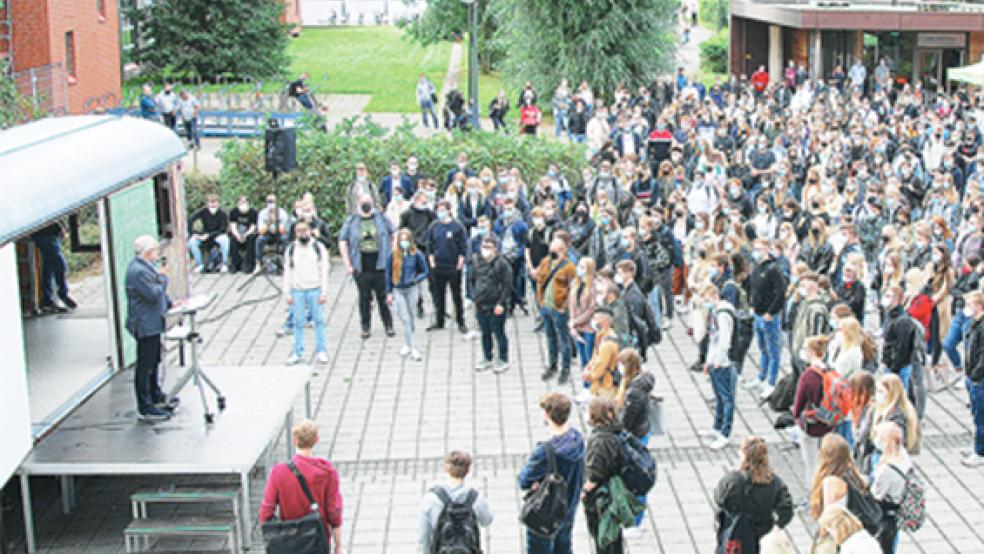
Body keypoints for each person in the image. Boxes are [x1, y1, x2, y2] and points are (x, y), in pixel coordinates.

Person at [259, 420, 343, 554]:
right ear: (316, 440)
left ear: (294, 441)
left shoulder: (278, 472)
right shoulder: (328, 472)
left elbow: (266, 512)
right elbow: (334, 512)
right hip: (317, 540)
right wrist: (338, 545)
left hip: (289, 542)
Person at [518, 393, 585, 554]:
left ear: (547, 415)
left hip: (546, 511)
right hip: (569, 505)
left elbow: (524, 480)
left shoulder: (545, 451)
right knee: (564, 546)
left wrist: (535, 483)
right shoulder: (577, 439)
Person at [124, 235, 177, 422]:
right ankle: (145, 405)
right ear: (147, 252)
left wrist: (170, 303)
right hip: (145, 324)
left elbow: (158, 295)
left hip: (153, 322)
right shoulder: (138, 271)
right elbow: (153, 294)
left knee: (154, 360)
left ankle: (155, 395)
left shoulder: (146, 267)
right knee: (145, 364)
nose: (158, 254)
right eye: (155, 251)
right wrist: (164, 277)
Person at [712, 436, 794, 554]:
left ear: (744, 456)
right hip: (763, 537)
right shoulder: (774, 482)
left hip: (735, 538)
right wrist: (777, 527)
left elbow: (719, 500)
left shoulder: (732, 481)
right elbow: (787, 510)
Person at [339, 193, 395, 339]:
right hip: (361, 265)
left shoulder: (381, 218)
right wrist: (347, 263)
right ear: (358, 203)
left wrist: (392, 254)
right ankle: (365, 326)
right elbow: (343, 241)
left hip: (380, 264)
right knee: (364, 297)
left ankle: (388, 325)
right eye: (363, 202)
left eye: (368, 201)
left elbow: (393, 234)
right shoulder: (351, 220)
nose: (366, 204)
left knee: (383, 297)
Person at [418, 451, 493, 552]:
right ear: (467, 471)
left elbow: (423, 538)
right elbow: (487, 521)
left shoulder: (430, 499)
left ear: (446, 468)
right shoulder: (476, 499)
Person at [615, 348, 654, 537]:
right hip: (642, 431)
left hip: (635, 435)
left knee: (636, 480)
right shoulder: (640, 382)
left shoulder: (634, 392)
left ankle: (635, 523)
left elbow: (627, 421)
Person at [583, 398, 626, 554]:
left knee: (604, 541)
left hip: (602, 498)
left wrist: (584, 492)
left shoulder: (600, 442)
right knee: (614, 538)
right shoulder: (617, 431)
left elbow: (594, 475)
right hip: (616, 492)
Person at [283, 222, 330, 365]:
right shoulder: (291, 249)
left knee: (319, 321)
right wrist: (287, 293)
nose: (303, 234)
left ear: (310, 231)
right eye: (299, 231)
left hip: (315, 289)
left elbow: (324, 270)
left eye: (305, 231)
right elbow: (287, 271)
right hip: (297, 290)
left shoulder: (318, 248)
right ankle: (297, 352)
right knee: (298, 322)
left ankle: (321, 351)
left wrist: (324, 291)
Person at [793, 336, 836, 487]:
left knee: (811, 464)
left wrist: (796, 417)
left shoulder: (808, 376)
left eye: (805, 349)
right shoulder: (830, 371)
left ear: (812, 352)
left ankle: (814, 492)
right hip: (828, 422)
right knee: (825, 461)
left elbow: (798, 405)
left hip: (810, 425)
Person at [746, 239, 786, 398]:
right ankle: (762, 376)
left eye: (760, 249)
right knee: (762, 348)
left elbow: (781, 293)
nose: (756, 252)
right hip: (757, 312)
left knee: (773, 350)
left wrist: (771, 312)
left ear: (767, 249)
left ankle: (771, 381)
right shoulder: (756, 267)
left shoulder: (774, 269)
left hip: (769, 315)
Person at [536, 237, 578, 384]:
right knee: (550, 337)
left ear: (561, 250)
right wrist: (540, 301)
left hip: (559, 310)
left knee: (564, 339)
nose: (550, 250)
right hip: (546, 307)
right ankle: (552, 365)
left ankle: (565, 369)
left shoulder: (569, 267)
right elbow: (540, 280)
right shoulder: (546, 262)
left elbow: (573, 289)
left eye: (553, 248)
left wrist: (564, 306)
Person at [701, 283, 737, 450]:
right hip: (715, 360)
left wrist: (719, 360)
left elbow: (724, 339)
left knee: (726, 398)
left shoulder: (723, 314)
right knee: (719, 397)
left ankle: (725, 433)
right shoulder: (715, 312)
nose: (706, 303)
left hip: (724, 362)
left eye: (707, 300)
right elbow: (713, 338)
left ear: (715, 296)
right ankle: (717, 427)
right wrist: (709, 360)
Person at [425, 200, 469, 335]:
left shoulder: (457, 226)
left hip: (453, 266)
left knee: (456, 295)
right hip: (438, 266)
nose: (440, 213)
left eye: (443, 210)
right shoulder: (433, 226)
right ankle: (439, 321)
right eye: (438, 210)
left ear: (449, 210)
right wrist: (431, 261)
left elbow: (463, 246)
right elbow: (429, 245)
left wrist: (460, 263)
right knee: (438, 295)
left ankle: (461, 321)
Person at [471, 235, 512, 374]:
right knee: (485, 333)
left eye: (488, 247)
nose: (485, 250)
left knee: (499, 333)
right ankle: (487, 357)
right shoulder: (477, 261)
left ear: (495, 248)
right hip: (481, 304)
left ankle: (503, 358)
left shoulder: (502, 264)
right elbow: (473, 279)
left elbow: (507, 286)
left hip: (496, 305)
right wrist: (474, 297)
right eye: (483, 246)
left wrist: (501, 303)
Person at [386, 228, 429, 361]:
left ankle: (408, 342)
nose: (403, 243)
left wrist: (416, 279)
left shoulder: (416, 254)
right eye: (401, 240)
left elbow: (425, 271)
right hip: (398, 290)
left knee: (411, 316)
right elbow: (387, 274)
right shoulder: (393, 255)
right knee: (405, 318)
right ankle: (412, 347)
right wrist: (389, 292)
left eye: (406, 240)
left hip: (412, 289)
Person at [870, 422, 912, 553]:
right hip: (897, 508)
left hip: (885, 512)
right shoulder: (904, 456)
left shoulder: (887, 469)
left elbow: (877, 494)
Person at [30, 221, 77, 313]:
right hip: (45, 234)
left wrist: (61, 227)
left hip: (49, 234)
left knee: (49, 267)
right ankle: (62, 294)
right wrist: (60, 227)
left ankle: (48, 301)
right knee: (59, 265)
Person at [881, 285, 920, 392]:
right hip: (890, 363)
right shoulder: (890, 315)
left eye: (889, 296)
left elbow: (902, 347)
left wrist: (894, 369)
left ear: (897, 299)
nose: (886, 299)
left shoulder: (903, 321)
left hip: (898, 367)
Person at [963, 291, 984, 467]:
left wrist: (976, 375)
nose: (967, 308)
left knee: (980, 416)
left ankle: (980, 451)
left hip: (979, 378)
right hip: (972, 375)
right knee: (976, 414)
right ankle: (977, 445)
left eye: (970, 304)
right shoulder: (973, 324)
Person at [583, 307, 620, 400]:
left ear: (605, 321)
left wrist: (589, 375)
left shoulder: (607, 344)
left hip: (605, 387)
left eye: (595, 318)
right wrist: (588, 367)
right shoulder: (601, 336)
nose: (593, 321)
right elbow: (595, 357)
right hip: (601, 385)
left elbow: (600, 367)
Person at [187, 194, 230, 273]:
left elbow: (223, 229)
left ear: (218, 203)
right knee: (192, 241)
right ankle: (199, 264)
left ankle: (224, 264)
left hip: (217, 235)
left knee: (225, 240)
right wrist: (193, 233)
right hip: (204, 234)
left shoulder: (223, 213)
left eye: (214, 202)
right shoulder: (203, 211)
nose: (212, 205)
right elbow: (191, 219)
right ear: (207, 203)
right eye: (211, 202)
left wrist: (209, 235)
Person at [813, 504, 881, 554]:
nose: (831, 535)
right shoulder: (864, 535)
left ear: (836, 528)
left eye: (829, 531)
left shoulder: (848, 548)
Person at [255, 194, 290, 270]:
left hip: (279, 234)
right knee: (259, 240)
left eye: (272, 201)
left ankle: (286, 262)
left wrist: (276, 223)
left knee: (285, 239)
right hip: (267, 234)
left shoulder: (282, 213)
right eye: (269, 201)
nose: (271, 203)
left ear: (276, 202)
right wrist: (269, 223)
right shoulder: (262, 213)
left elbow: (284, 230)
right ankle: (258, 263)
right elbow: (260, 231)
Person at [227, 195, 257, 274]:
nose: (243, 203)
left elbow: (253, 227)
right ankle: (235, 264)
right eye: (240, 202)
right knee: (232, 240)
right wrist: (237, 235)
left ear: (248, 203)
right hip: (237, 233)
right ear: (237, 203)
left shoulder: (253, 212)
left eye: (244, 202)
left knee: (251, 239)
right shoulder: (234, 212)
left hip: (249, 234)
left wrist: (245, 235)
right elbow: (233, 226)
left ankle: (248, 264)